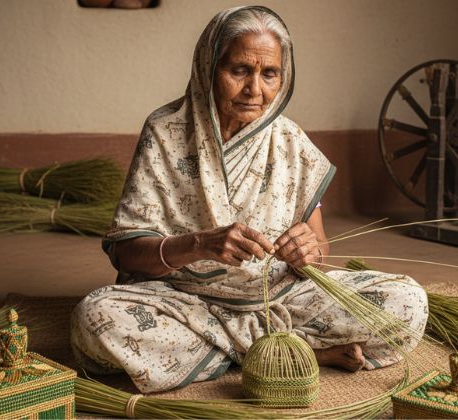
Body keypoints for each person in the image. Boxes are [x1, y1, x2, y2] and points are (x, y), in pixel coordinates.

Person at [71, 6, 428, 393]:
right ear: (209, 67)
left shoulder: (290, 142)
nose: (255, 90)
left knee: (408, 302)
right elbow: (125, 254)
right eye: (239, 70)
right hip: (183, 301)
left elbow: (320, 249)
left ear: (283, 76)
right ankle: (288, 349)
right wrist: (200, 244)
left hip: (279, 298)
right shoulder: (166, 132)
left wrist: (310, 251)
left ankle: (236, 350)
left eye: (269, 73)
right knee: (95, 318)